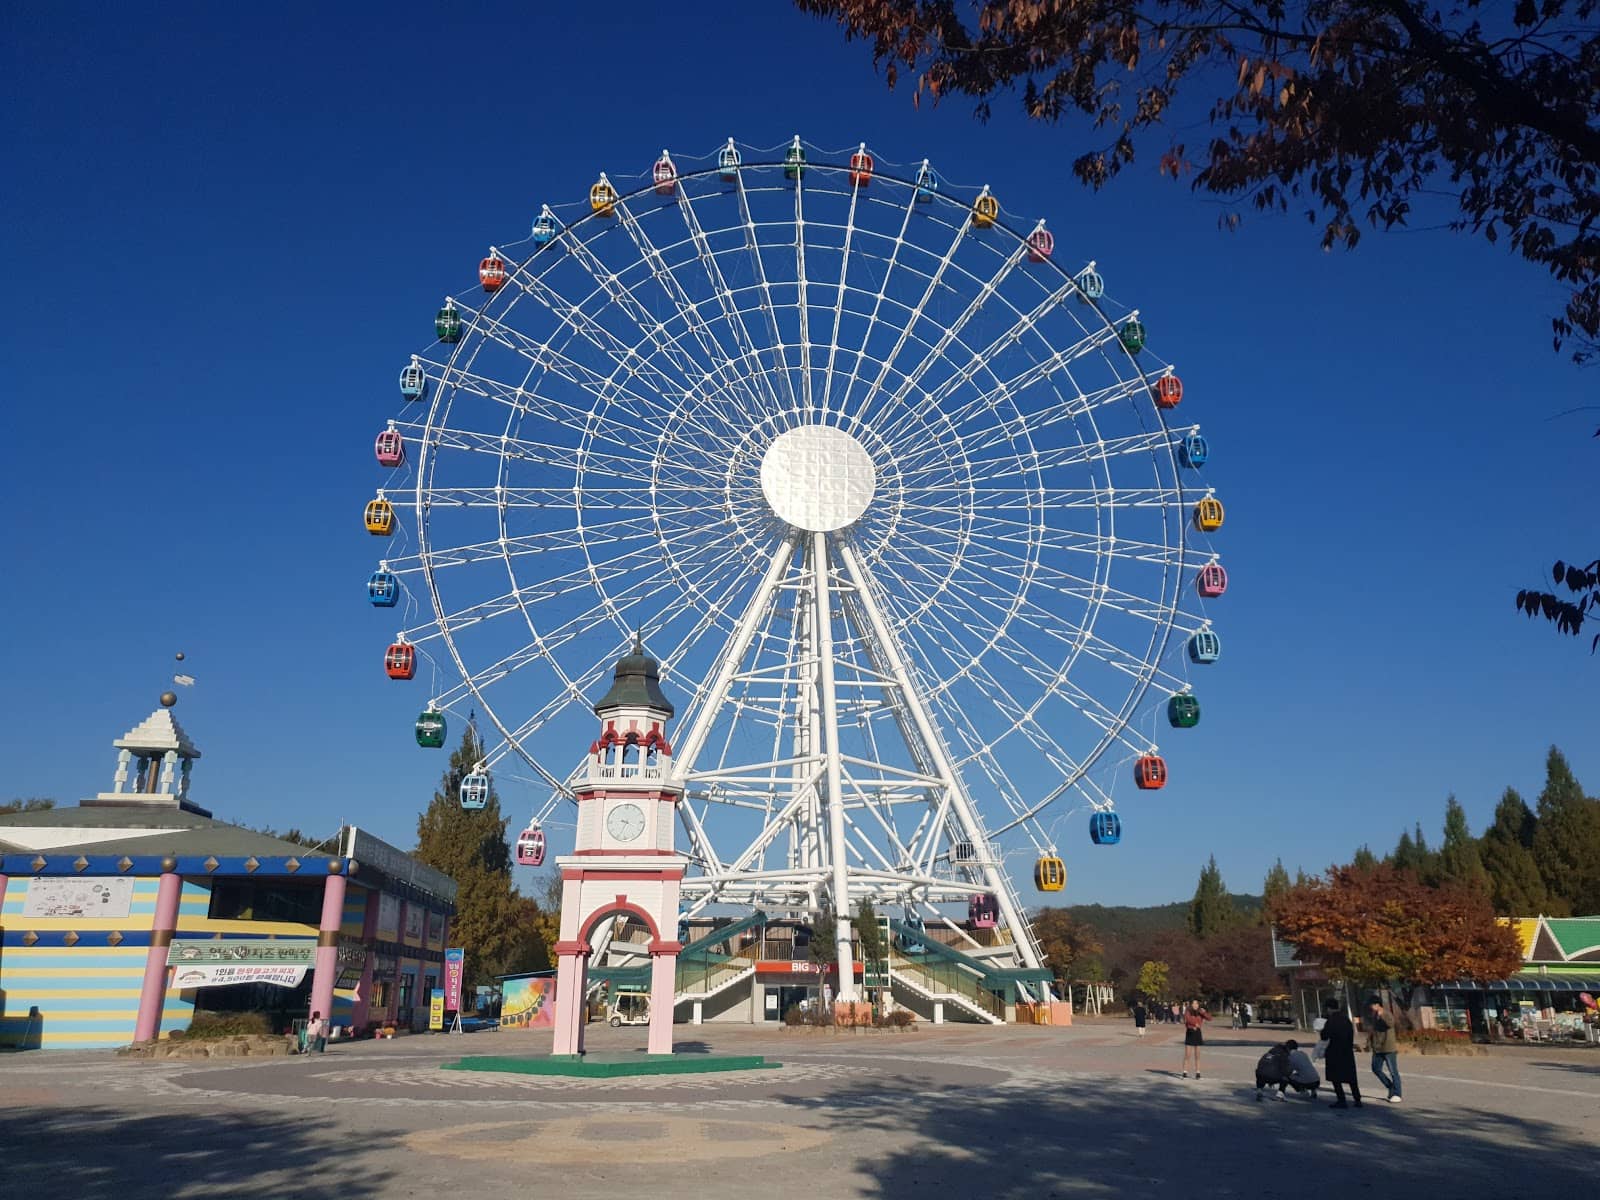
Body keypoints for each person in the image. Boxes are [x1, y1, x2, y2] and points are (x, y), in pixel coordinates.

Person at [1320, 999, 1362, 1108]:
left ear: (1329, 1008)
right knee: (1351, 1077)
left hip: (1334, 1052)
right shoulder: (1346, 1019)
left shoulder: (1331, 1020)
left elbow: (1324, 1036)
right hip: (1347, 1051)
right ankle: (1357, 1099)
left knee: (1336, 1077)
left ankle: (1341, 1099)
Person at [1365, 995, 1402, 1103]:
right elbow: (1373, 1031)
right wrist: (1369, 1043)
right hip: (1377, 1048)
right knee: (1376, 1068)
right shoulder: (1374, 1015)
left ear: (1377, 1005)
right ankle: (1390, 1086)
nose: (1371, 1007)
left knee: (1393, 1071)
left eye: (1372, 1005)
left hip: (1388, 1047)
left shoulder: (1386, 1014)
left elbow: (1391, 1023)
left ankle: (1397, 1093)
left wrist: (1381, 1015)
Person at [1180, 1000, 1210, 1078]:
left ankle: (1198, 1072)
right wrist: (1195, 1024)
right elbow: (1188, 1019)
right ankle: (1185, 1071)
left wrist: (1204, 1012)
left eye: (1196, 1003)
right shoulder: (1188, 1011)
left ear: (1198, 1005)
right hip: (1190, 1032)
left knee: (1197, 1055)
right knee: (1187, 1054)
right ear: (1191, 1004)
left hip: (1197, 1033)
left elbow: (1210, 1018)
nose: (1195, 1005)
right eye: (1193, 1003)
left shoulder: (1200, 1012)